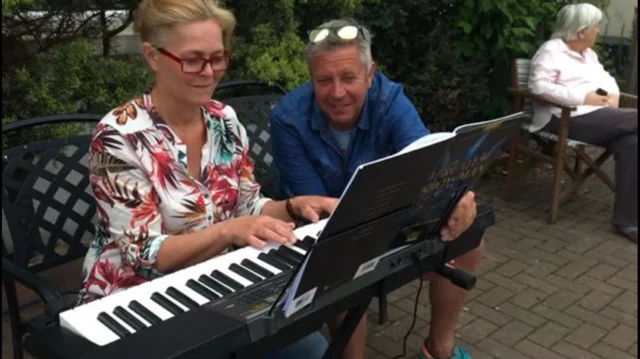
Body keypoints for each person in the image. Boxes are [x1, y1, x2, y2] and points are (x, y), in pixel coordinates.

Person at [79, 1, 336, 358]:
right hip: (134, 302)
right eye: (193, 59)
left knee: (311, 349)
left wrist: (293, 206)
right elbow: (143, 254)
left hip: (217, 284)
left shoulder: (224, 120)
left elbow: (248, 204)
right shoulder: (119, 137)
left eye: (218, 58)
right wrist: (229, 231)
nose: (210, 71)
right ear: (152, 56)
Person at [270, 18, 480, 359]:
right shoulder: (287, 117)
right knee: (337, 262)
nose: (337, 92)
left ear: (370, 75)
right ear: (311, 80)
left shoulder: (390, 99)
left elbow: (428, 163)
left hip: (385, 213)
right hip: (320, 226)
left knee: (468, 234)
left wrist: (455, 201)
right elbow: (319, 211)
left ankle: (439, 346)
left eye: (349, 77)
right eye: (324, 80)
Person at [529, 3, 638, 243]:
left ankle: (626, 221)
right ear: (581, 30)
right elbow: (538, 86)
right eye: (596, 26)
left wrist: (611, 98)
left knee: (632, 143)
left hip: (594, 117)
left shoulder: (589, 55)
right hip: (561, 118)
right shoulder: (551, 51)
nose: (598, 30)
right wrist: (582, 98)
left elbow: (606, 79)